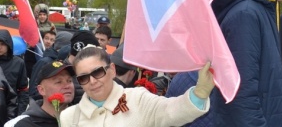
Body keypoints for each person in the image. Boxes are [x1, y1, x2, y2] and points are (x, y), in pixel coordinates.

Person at [59, 46, 214, 126]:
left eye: (98, 72)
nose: (92, 81)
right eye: (84, 77)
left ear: (112, 70)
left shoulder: (138, 99)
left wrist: (200, 93)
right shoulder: (69, 117)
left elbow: (171, 111)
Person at [5, 61, 75, 127]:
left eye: (69, 81)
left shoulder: (80, 118)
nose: (67, 86)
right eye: (59, 82)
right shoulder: (21, 124)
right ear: (41, 90)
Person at [0, 29, 29, 115]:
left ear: (8, 45)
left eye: (2, 44)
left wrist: (20, 113)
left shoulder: (18, 63)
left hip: (11, 108)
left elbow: (23, 90)